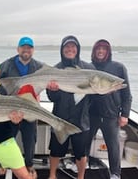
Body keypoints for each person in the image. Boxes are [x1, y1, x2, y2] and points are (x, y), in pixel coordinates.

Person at [46, 35, 95, 179]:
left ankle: (80, 177)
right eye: (67, 47)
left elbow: (94, 96)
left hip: (81, 120)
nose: (70, 49)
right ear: (62, 49)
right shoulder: (55, 69)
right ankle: (52, 175)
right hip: (60, 118)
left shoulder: (88, 68)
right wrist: (53, 90)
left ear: (78, 49)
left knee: (81, 153)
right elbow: (51, 98)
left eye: (73, 46)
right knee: (55, 150)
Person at [87, 39, 132, 179]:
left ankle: (115, 173)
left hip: (111, 115)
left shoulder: (119, 68)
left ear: (108, 51)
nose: (100, 51)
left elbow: (127, 94)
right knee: (84, 143)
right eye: (98, 49)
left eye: (104, 49)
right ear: (94, 51)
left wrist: (125, 114)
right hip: (91, 114)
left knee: (113, 147)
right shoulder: (88, 67)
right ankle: (82, 165)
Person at [0, 36, 43, 177]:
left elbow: (45, 84)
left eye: (29, 47)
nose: (26, 50)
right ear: (18, 49)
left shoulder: (39, 67)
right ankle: (4, 163)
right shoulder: (6, 65)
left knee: (30, 139)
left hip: (30, 108)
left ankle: (29, 164)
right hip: (10, 108)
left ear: (33, 50)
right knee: (6, 137)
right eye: (23, 47)